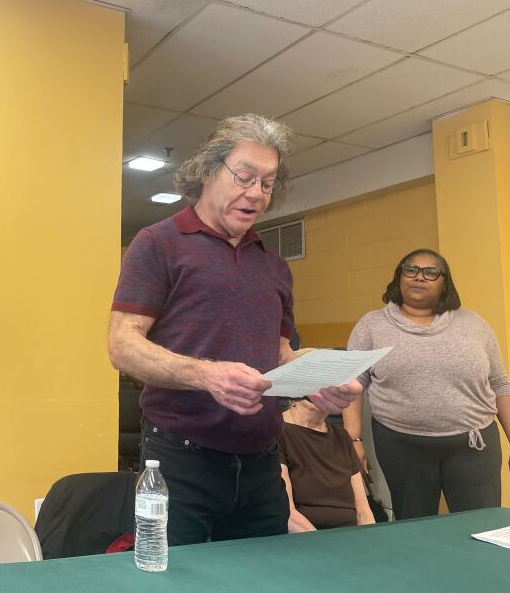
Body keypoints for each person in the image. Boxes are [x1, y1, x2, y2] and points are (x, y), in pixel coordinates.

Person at [108, 114, 361, 545]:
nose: (256, 193)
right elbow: (123, 344)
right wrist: (205, 375)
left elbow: (280, 357)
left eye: (267, 183)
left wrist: (318, 381)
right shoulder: (158, 243)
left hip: (263, 464)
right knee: (176, 579)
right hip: (180, 460)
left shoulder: (274, 266)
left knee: (264, 578)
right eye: (245, 176)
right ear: (208, 170)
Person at [343, 249, 510, 520]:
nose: (419, 277)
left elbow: (500, 384)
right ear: (399, 277)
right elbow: (352, 384)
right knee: (414, 528)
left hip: (473, 445)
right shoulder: (371, 326)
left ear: (444, 282)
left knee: (482, 524)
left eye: (431, 272)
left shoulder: (474, 325)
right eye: (410, 269)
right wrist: (353, 439)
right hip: (401, 445)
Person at [279, 399, 375, 532]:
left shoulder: (342, 437)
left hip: (351, 537)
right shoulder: (277, 434)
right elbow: (288, 515)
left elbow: (364, 513)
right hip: (306, 540)